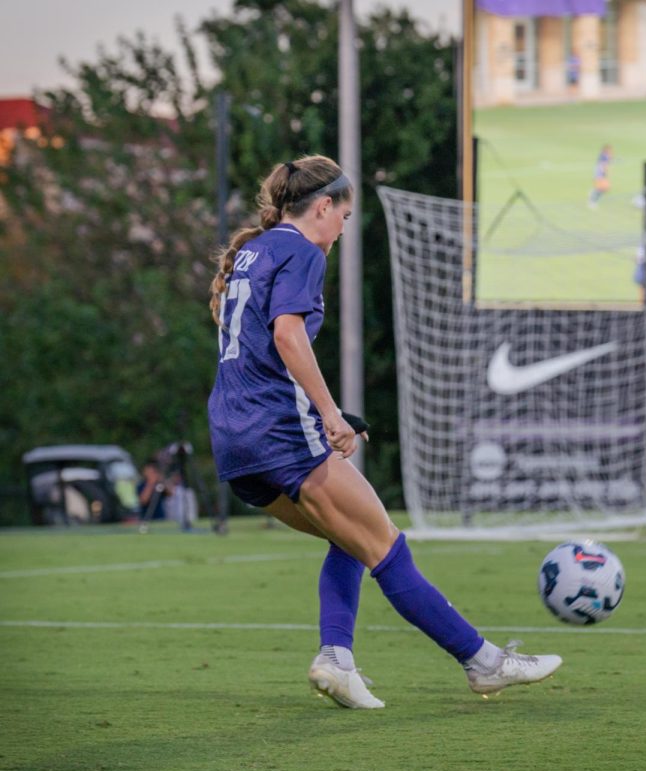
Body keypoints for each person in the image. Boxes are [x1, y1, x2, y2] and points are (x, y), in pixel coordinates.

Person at [207, 155, 561, 709]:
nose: (345, 229)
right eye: (344, 217)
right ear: (323, 207)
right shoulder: (300, 249)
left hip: (234, 435)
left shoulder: (257, 248)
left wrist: (328, 410)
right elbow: (287, 338)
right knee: (386, 547)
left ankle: (337, 660)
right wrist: (328, 414)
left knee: (348, 539)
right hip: (278, 431)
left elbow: (260, 349)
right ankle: (485, 663)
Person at [588, 144, 612, 209]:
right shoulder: (603, 156)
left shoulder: (605, 156)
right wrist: (605, 173)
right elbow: (603, 165)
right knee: (602, 188)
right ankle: (592, 201)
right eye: (609, 150)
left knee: (605, 188)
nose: (611, 151)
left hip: (601, 175)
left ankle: (593, 197)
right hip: (600, 175)